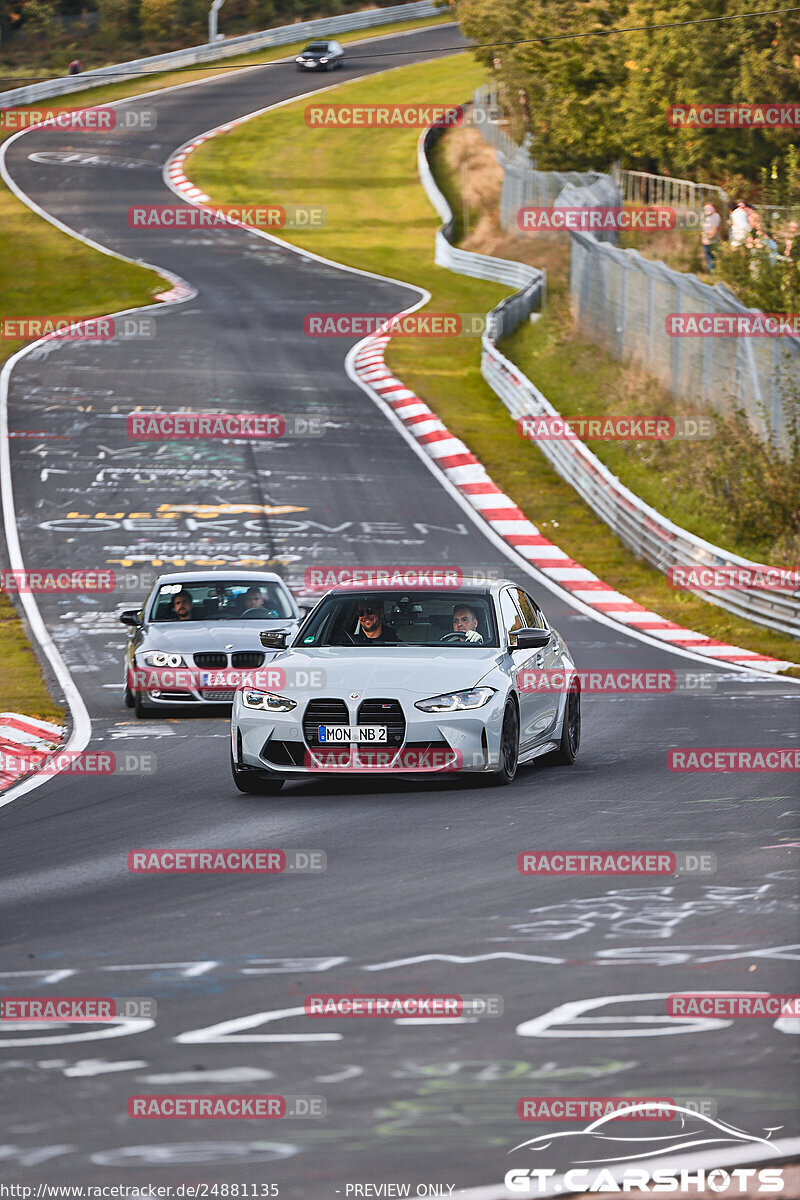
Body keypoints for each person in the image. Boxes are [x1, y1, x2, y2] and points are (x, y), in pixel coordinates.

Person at [700, 203, 721, 272]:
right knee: (708, 257)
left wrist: (708, 238)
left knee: (712, 257)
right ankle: (711, 272)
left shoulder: (715, 216)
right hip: (706, 240)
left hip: (711, 240)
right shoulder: (707, 217)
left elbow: (714, 229)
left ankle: (712, 272)